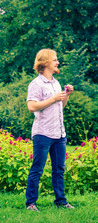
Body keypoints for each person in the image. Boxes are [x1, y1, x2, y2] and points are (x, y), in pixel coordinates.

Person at [25, 49, 75, 212]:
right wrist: (53, 98)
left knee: (59, 169)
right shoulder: (36, 84)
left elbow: (60, 106)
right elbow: (31, 106)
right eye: (55, 60)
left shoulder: (56, 83)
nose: (57, 62)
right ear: (45, 63)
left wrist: (66, 95)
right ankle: (31, 203)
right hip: (43, 134)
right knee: (37, 169)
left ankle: (61, 201)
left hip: (59, 134)